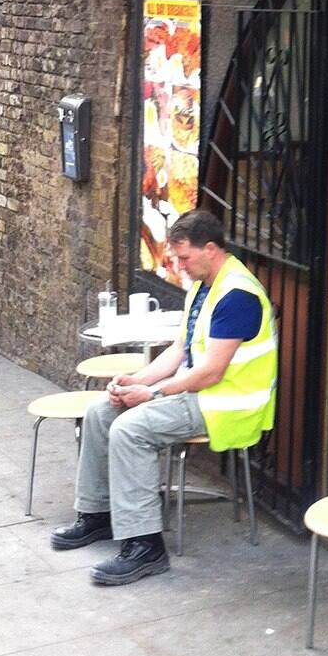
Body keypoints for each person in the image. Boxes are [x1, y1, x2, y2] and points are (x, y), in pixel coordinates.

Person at [52, 209, 277, 585]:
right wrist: (132, 381)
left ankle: (145, 546)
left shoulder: (237, 295)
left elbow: (211, 372)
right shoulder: (206, 284)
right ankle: (97, 515)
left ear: (210, 249)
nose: (181, 267)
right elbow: (178, 350)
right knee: (100, 411)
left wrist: (151, 392)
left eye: (185, 258)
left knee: (130, 429)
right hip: (202, 393)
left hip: (228, 404)